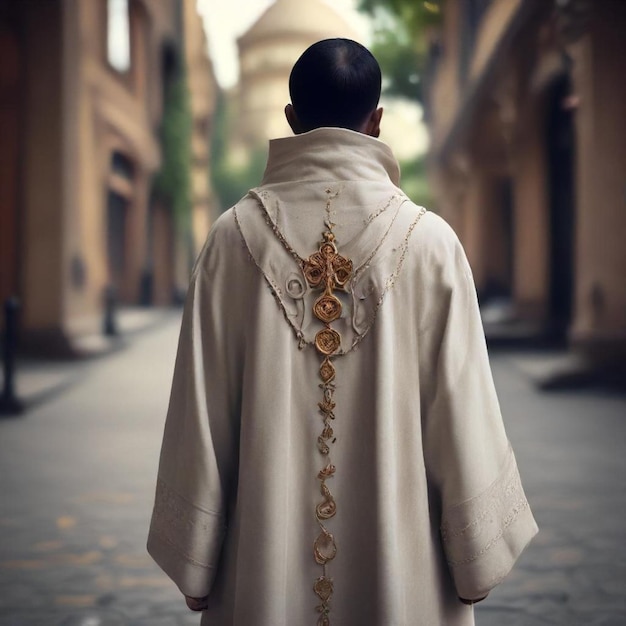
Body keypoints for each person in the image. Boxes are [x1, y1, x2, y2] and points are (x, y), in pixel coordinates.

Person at [147, 38, 538, 626]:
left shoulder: (231, 239)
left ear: (292, 119)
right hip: (401, 576)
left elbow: (200, 411)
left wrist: (196, 557)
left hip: (261, 574)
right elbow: (462, 409)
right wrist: (475, 559)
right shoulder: (430, 242)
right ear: (375, 122)